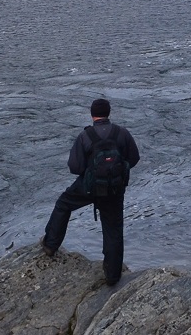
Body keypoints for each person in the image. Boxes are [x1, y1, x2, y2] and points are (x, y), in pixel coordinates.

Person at [41, 97, 140, 285]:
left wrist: (91, 174)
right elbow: (134, 158)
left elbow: (75, 167)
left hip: (88, 188)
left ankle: (50, 245)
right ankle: (112, 276)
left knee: (63, 204)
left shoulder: (85, 136)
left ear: (92, 114)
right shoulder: (122, 133)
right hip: (114, 190)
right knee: (113, 230)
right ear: (108, 113)